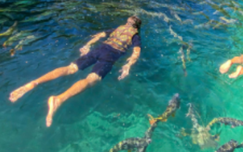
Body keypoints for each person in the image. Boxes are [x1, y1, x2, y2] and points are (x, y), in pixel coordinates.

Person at [9, 16, 143, 127]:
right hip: (112, 55)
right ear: (137, 27)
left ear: (127, 22)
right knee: (91, 80)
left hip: (99, 48)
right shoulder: (135, 36)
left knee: (70, 68)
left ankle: (35, 82)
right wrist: (128, 66)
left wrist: (87, 45)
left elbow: (100, 35)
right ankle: (59, 99)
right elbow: (136, 52)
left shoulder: (117, 28)